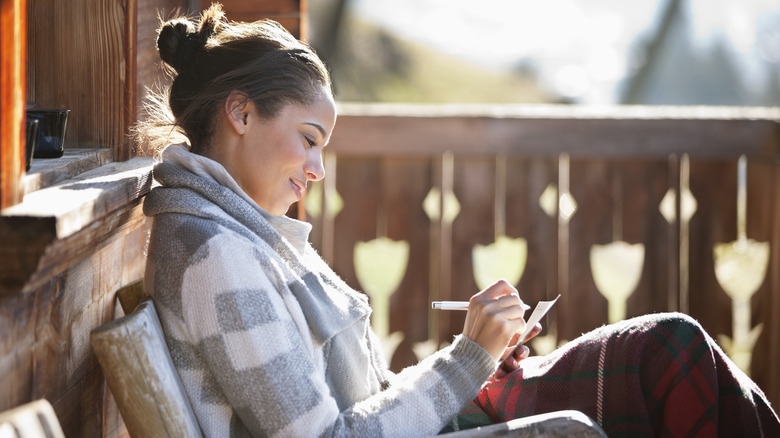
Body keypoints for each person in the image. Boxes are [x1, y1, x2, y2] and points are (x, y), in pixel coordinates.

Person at [139, 4, 780, 437]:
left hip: (432, 417)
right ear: (242, 114)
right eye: (308, 139)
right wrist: (466, 361)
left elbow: (364, 396)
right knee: (646, 377)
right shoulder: (214, 255)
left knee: (668, 348)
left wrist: (473, 358)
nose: (317, 169)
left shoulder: (239, 231)